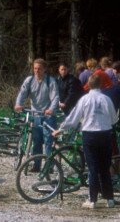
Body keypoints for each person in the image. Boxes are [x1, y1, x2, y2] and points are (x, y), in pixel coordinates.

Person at [52, 74, 118, 209]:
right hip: (105, 135)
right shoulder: (107, 99)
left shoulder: (85, 99)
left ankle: (92, 200)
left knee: (93, 168)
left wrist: (61, 129)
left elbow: (73, 118)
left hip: (89, 135)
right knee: (105, 168)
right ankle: (109, 198)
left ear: (89, 84)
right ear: (101, 85)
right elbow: (113, 119)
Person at [14, 58, 59, 171]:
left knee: (48, 141)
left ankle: (49, 166)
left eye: (39, 68)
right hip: (35, 115)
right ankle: (36, 165)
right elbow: (22, 93)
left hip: (48, 115)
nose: (36, 71)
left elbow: (55, 97)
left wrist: (51, 109)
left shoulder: (50, 81)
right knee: (36, 141)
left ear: (44, 69)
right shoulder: (29, 80)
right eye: (35, 68)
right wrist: (18, 104)